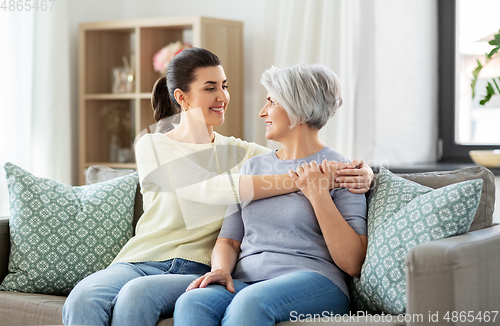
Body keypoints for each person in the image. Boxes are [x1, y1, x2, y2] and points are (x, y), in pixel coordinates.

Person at [62, 48, 372, 326]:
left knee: (138, 297)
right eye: (210, 88)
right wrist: (308, 180)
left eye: (224, 86)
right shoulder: (153, 145)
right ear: (182, 97)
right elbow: (211, 189)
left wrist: (365, 172)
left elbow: (294, 155)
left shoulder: (243, 153)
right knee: (83, 298)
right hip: (144, 260)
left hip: (199, 266)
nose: (222, 96)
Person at [174, 64, 368, 326]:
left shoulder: (342, 171)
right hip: (246, 281)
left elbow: (352, 262)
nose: (262, 112)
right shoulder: (253, 167)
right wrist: (220, 270)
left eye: (271, 102)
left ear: (297, 108)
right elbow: (229, 241)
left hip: (314, 280)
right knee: (192, 301)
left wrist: (318, 194)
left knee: (251, 302)